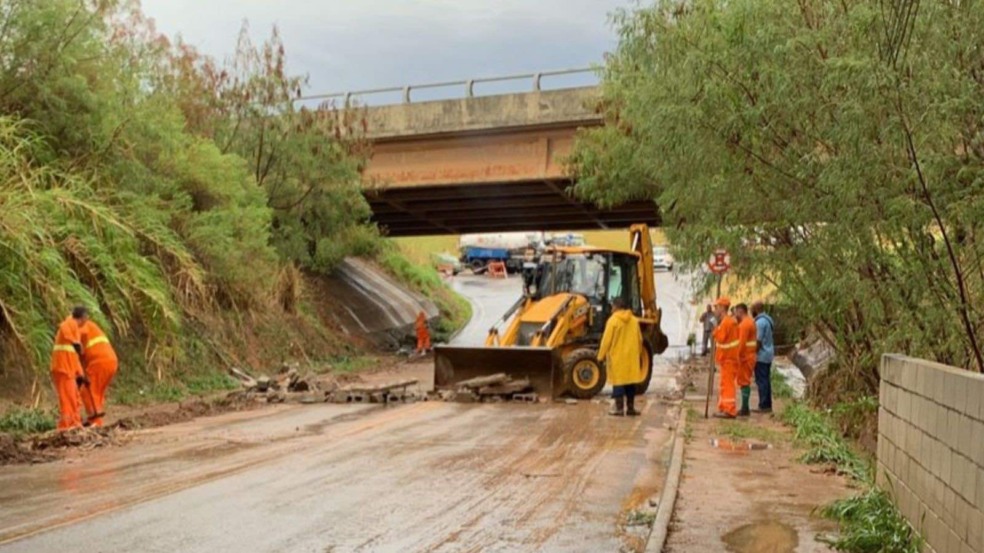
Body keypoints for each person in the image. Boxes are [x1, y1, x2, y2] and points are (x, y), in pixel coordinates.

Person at [598, 297, 645, 417]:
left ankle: (619, 409)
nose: (611, 309)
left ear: (616, 307)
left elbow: (606, 341)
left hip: (618, 357)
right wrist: (638, 354)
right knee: (630, 383)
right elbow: (640, 339)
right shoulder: (634, 320)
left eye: (612, 306)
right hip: (631, 357)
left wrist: (600, 356)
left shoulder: (613, 321)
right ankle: (630, 408)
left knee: (618, 382)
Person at [78, 314, 119, 427]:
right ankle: (96, 419)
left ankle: (95, 422)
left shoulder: (79, 329)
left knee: (87, 392)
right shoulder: (90, 327)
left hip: (99, 361)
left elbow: (78, 353)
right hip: (111, 361)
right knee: (97, 393)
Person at [50, 307, 87, 431]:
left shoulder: (75, 329)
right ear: (82, 317)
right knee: (68, 399)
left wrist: (80, 374)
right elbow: (64, 328)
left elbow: (74, 356)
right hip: (63, 369)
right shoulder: (69, 323)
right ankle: (67, 426)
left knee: (74, 398)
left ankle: (74, 423)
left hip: (68, 370)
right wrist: (75, 342)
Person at [712, 297, 740, 418]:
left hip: (728, 359)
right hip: (727, 359)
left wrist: (715, 328)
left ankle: (729, 410)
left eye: (717, 307)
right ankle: (724, 407)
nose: (715, 310)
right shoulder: (728, 322)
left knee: (727, 385)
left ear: (723, 308)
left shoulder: (727, 322)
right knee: (724, 384)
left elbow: (720, 338)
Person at [752, 301, 775, 412]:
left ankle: (763, 405)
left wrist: (753, 353)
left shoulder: (759, 322)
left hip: (761, 355)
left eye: (752, 309)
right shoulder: (769, 320)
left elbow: (758, 341)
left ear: (756, 309)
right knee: (766, 379)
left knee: (761, 380)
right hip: (769, 353)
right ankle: (767, 404)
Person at [735, 303, 757, 417]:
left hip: (745, 357)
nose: (735, 314)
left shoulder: (744, 325)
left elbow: (741, 344)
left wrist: (737, 357)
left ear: (740, 311)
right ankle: (745, 408)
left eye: (735, 312)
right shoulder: (750, 322)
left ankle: (744, 408)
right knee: (745, 381)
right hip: (750, 355)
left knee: (744, 382)